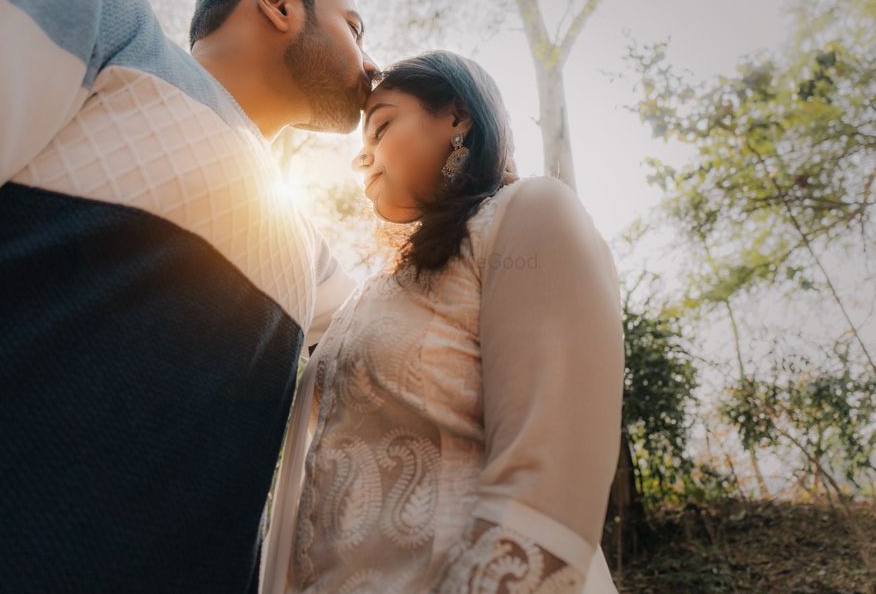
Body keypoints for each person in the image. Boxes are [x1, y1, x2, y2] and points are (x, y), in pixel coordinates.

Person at [0, 0, 372, 592]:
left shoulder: (310, 253)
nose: (371, 60)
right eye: (353, 26)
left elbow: (408, 360)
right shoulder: (101, 11)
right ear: (276, 1)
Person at [260, 51, 624, 593]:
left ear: (457, 117)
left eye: (381, 126)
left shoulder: (530, 212)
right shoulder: (371, 294)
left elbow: (548, 478)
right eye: (361, 147)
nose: (363, 158)